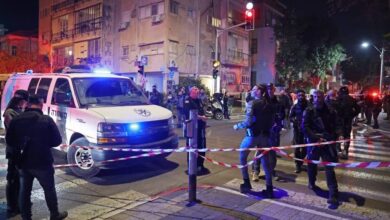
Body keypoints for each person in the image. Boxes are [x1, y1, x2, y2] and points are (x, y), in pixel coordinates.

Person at [5, 95, 68, 220]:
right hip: (43, 161)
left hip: (23, 162)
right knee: (49, 189)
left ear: (28, 104)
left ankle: (26, 217)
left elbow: (10, 141)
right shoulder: (46, 120)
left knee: (24, 191)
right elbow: (57, 141)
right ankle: (54, 214)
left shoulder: (17, 119)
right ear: (41, 104)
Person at [302, 90, 343, 206]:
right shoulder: (309, 111)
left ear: (323, 97)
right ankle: (311, 182)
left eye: (319, 96)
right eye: (315, 96)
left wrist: (339, 133)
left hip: (327, 141)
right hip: (314, 142)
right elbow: (305, 127)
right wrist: (315, 138)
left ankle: (333, 193)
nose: (317, 98)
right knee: (311, 165)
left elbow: (337, 123)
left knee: (329, 167)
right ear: (312, 97)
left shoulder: (330, 110)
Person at [233, 84, 275, 198]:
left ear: (260, 92)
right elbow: (273, 121)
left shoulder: (253, 103)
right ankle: (269, 188)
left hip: (252, 136)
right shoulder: (270, 104)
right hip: (265, 136)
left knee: (242, 157)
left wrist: (237, 126)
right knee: (265, 162)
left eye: (255, 89)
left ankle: (246, 183)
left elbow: (248, 122)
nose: (252, 90)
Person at [4, 94, 28, 218]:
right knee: (12, 178)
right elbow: (15, 129)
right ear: (20, 101)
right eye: (25, 101)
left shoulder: (18, 111)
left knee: (19, 179)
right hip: (13, 150)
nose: (25, 104)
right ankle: (12, 206)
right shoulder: (10, 112)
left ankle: (18, 203)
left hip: (20, 149)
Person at [184, 86, 209, 175]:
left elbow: (201, 111)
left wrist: (204, 122)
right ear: (191, 92)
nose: (197, 90)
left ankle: (200, 165)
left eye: (197, 89)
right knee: (192, 147)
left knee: (202, 146)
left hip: (200, 128)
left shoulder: (198, 100)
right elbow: (190, 114)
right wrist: (201, 117)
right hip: (192, 128)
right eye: (195, 89)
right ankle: (192, 166)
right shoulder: (187, 101)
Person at [266, 83, 284, 180]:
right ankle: (255, 170)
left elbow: (281, 116)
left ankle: (272, 170)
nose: (269, 90)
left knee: (273, 153)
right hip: (264, 132)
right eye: (268, 89)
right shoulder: (262, 102)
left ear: (274, 90)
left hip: (274, 132)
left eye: (271, 89)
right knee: (261, 152)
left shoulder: (278, 103)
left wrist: (278, 126)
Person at [336, 86, 360, 159]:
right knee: (347, 136)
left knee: (338, 135)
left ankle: (338, 150)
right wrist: (352, 115)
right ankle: (345, 151)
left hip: (339, 121)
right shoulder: (352, 99)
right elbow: (358, 109)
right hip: (347, 121)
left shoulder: (338, 99)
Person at [289, 89, 308, 173]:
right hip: (297, 130)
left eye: (302, 95)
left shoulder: (309, 106)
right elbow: (290, 117)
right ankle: (297, 164)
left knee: (305, 148)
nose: (301, 97)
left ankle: (300, 161)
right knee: (297, 148)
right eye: (299, 95)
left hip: (307, 131)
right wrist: (295, 120)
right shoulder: (295, 106)